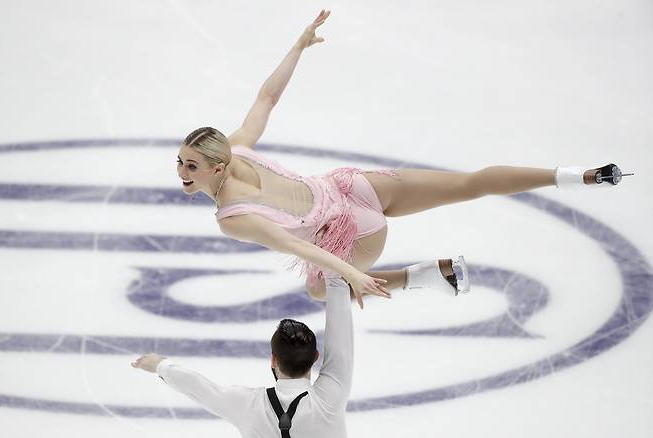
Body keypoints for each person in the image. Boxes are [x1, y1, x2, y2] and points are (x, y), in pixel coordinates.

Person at [176, 10, 630, 308]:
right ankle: (579, 176)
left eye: (190, 165)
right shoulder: (237, 147)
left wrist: (356, 274)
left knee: (319, 288)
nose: (181, 173)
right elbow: (266, 99)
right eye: (180, 162)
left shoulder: (231, 216)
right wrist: (296, 47)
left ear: (217, 167)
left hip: (352, 230)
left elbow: (300, 247)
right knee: (468, 183)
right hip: (353, 184)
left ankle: (426, 276)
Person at [133, 277, 356, 437]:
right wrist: (334, 268)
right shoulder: (330, 397)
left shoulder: (248, 404)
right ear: (316, 357)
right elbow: (340, 334)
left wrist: (160, 365)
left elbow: (198, 387)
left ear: (273, 360)